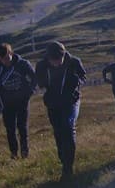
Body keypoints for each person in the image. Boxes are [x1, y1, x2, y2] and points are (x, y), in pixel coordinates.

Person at [35, 41, 86, 179]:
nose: (56, 63)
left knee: (68, 127)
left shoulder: (74, 62)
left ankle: (68, 167)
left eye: (59, 60)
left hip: (71, 101)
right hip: (53, 104)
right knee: (58, 131)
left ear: (63, 55)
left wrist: (77, 82)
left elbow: (83, 77)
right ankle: (63, 158)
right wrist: (45, 87)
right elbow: (40, 82)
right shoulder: (41, 65)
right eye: (53, 60)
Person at [0, 43, 36, 159]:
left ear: (11, 53)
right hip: (7, 104)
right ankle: (14, 154)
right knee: (10, 130)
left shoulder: (23, 64)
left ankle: (25, 152)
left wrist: (29, 93)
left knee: (23, 127)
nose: (4, 62)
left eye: (5, 58)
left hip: (22, 102)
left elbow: (34, 78)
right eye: (1, 59)